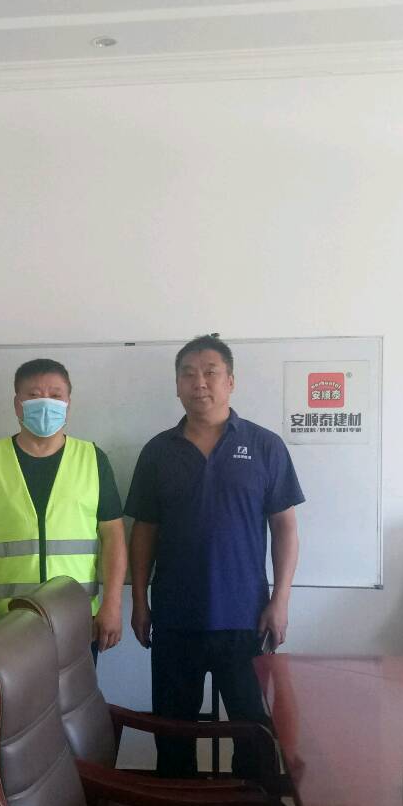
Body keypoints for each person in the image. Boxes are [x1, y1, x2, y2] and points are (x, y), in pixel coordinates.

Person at [125, 334, 303, 780]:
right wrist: (140, 601)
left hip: (245, 618)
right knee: (173, 731)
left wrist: (280, 600)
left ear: (231, 382)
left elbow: (285, 528)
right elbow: (144, 531)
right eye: (188, 374)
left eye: (210, 373)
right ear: (177, 385)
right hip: (175, 619)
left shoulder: (264, 446)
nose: (199, 383)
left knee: (252, 732)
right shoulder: (158, 451)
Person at [0, 357, 126, 652]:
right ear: (17, 404)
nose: (45, 403)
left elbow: (113, 535)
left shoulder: (92, 459)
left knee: (76, 685)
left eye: (55, 395)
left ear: (68, 403)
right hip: (5, 618)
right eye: (34, 395)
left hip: (76, 617)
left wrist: (112, 604)